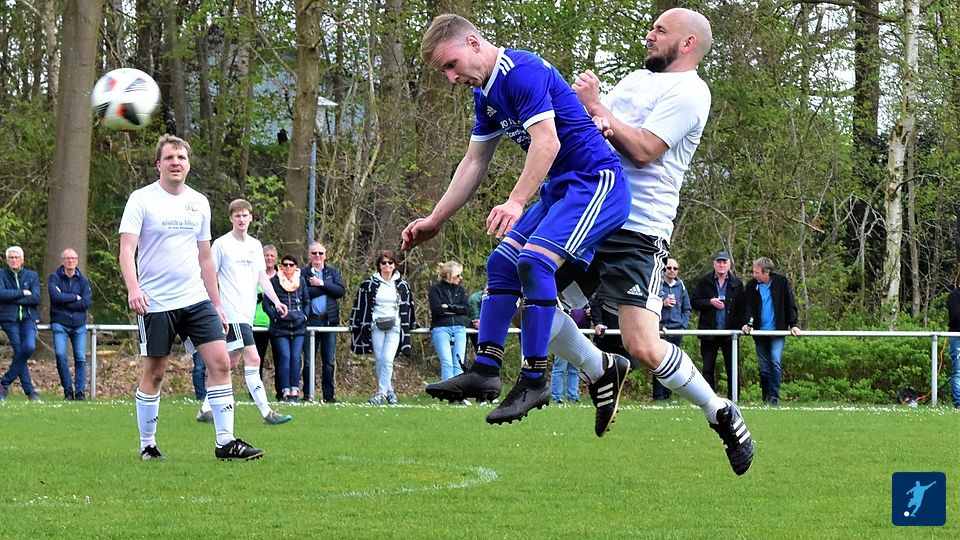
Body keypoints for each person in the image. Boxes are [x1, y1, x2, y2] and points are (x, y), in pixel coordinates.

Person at [541, 8, 752, 473]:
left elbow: (643, 150)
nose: (650, 35)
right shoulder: (636, 80)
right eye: (652, 27)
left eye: (660, 30)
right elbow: (597, 132)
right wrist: (575, 109)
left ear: (688, 43)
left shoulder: (691, 91)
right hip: (592, 214)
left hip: (638, 229)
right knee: (532, 301)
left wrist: (598, 108)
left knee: (642, 344)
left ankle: (719, 410)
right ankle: (599, 368)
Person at [403, 14, 630, 425]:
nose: (451, 78)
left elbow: (548, 141)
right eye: (444, 72)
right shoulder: (485, 95)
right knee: (501, 264)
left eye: (451, 65)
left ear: (474, 43)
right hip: (561, 190)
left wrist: (516, 201)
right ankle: (486, 369)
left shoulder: (521, 71)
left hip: (596, 182)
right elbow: (474, 162)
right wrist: (435, 219)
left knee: (535, 262)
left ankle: (534, 379)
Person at [119, 134, 263, 460]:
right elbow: (127, 249)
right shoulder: (141, 200)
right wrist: (133, 288)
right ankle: (147, 445)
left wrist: (217, 303)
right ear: (158, 164)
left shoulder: (199, 202)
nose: (176, 163)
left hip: (196, 299)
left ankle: (225, 442)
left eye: (181, 158)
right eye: (170, 158)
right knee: (155, 372)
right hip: (156, 301)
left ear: (188, 165)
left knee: (221, 361)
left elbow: (205, 257)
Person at [194, 199, 292, 425]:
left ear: (251, 218)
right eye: (237, 215)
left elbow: (261, 277)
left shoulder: (255, 246)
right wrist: (215, 306)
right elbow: (209, 275)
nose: (241, 219)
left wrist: (276, 301)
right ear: (231, 218)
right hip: (232, 312)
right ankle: (267, 412)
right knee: (254, 358)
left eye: (244, 215)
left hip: (246, 314)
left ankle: (206, 408)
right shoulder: (221, 245)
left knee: (229, 362)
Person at [350, 250, 416, 405]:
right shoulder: (369, 284)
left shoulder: (402, 285)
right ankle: (390, 392)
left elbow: (409, 307)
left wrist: (410, 324)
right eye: (383, 263)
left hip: (395, 326)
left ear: (395, 265)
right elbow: (360, 305)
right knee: (380, 360)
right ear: (379, 265)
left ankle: (380, 394)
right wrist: (356, 323)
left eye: (390, 262)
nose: (387, 265)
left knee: (387, 360)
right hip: (375, 326)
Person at [738, 256, 801, 406]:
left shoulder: (781, 282)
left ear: (766, 272)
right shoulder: (751, 285)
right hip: (760, 333)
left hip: (777, 331)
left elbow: (789, 303)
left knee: (775, 361)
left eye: (757, 272)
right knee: (764, 367)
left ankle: (774, 398)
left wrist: (793, 324)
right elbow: (747, 307)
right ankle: (766, 398)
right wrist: (747, 324)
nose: (754, 275)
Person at [691, 251, 743, 399]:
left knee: (732, 367)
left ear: (729, 264)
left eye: (724, 262)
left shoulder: (737, 284)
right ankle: (708, 399)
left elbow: (743, 307)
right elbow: (694, 302)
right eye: (719, 262)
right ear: (714, 264)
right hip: (709, 332)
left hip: (730, 334)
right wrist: (709, 302)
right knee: (708, 367)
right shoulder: (704, 282)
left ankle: (734, 399)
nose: (721, 265)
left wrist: (744, 324)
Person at [263, 254, 310, 403]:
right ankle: (285, 391)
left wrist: (304, 317)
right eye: (285, 264)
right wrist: (275, 317)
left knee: (296, 357)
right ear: (281, 266)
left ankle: (295, 390)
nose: (288, 267)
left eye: (291, 265)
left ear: (296, 267)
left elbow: (306, 301)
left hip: (298, 326)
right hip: (280, 327)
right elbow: (266, 304)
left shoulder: (301, 281)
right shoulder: (274, 281)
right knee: (285, 357)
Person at [302, 241, 346, 403]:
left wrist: (321, 283)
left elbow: (340, 291)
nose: (317, 256)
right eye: (314, 253)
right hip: (310, 321)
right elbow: (303, 293)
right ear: (309, 255)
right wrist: (327, 289)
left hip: (329, 321)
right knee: (308, 360)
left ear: (325, 255)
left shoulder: (332, 272)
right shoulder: (303, 273)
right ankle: (308, 394)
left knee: (328, 361)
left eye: (320, 253)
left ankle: (329, 395)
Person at [48, 248, 93, 401]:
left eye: (73, 258)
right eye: (67, 258)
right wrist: (75, 297)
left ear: (77, 261)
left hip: (79, 324)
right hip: (60, 323)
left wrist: (65, 300)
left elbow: (85, 303)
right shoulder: (54, 278)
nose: (70, 261)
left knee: (80, 358)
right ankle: (68, 391)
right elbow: (55, 298)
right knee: (61, 355)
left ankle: (80, 392)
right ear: (62, 261)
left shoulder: (83, 281)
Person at [0, 246, 42, 402]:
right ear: (7, 260)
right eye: (11, 258)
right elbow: (1, 294)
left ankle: (3, 383)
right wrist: (22, 293)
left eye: (16, 257)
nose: (14, 260)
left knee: (29, 347)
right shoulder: (1, 275)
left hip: (28, 318)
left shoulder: (32, 276)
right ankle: (30, 392)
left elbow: (36, 297)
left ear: (22, 259)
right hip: (9, 319)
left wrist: (13, 299)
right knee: (19, 350)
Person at [654, 257, 691, 401]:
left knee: (674, 365)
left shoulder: (681, 286)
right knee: (658, 364)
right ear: (664, 269)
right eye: (669, 268)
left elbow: (687, 308)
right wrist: (663, 304)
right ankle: (658, 396)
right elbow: (650, 306)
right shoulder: (657, 285)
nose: (672, 271)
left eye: (675, 268)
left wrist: (683, 326)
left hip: (676, 330)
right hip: (660, 330)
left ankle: (668, 396)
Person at [429, 261, 471, 381]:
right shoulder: (435, 290)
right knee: (447, 362)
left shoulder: (461, 290)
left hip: (459, 328)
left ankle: (457, 389)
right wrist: (457, 310)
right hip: (441, 328)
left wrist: (449, 307)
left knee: (459, 362)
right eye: (457, 275)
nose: (460, 278)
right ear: (448, 275)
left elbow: (466, 309)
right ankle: (448, 389)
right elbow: (437, 310)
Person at [550, 304, 589, 404]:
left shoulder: (584, 302)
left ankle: (573, 396)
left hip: (579, 337)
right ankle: (556, 397)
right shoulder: (558, 302)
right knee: (560, 368)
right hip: (562, 336)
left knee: (574, 369)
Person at [255, 245, 280, 398]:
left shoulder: (282, 277)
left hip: (277, 324)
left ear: (276, 258)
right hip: (257, 323)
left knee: (280, 358)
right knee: (257, 359)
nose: (269, 258)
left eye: (272, 255)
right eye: (266, 255)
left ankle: (281, 392)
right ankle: (255, 392)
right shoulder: (254, 276)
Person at [946, 285, 960, 409]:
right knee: (958, 371)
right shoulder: (954, 296)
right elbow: (956, 317)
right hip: (957, 337)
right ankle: (958, 403)